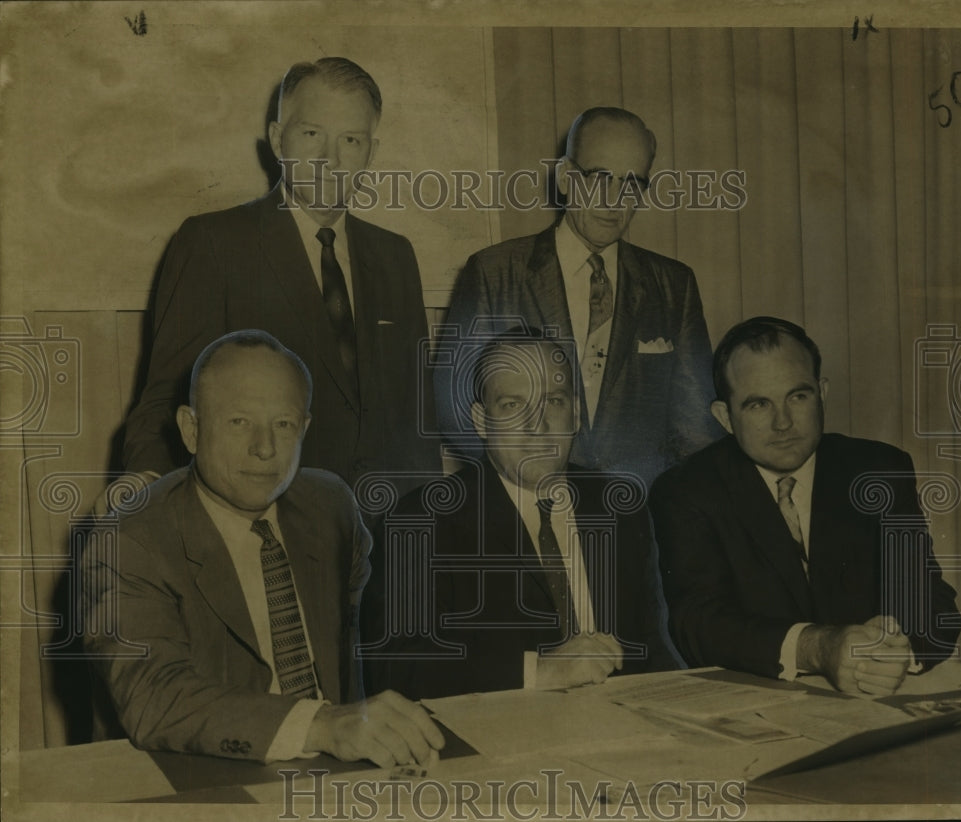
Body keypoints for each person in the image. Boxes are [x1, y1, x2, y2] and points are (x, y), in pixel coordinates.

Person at [84, 330, 444, 766]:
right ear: (191, 429)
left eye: (283, 424)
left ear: (305, 427)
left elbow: (367, 659)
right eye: (239, 422)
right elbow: (154, 698)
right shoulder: (129, 538)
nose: (264, 448)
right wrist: (322, 725)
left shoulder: (330, 506)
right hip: (197, 777)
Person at [119, 56, 438, 497]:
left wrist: (430, 531)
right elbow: (164, 404)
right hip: (265, 526)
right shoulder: (214, 243)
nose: (330, 158)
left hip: (387, 535)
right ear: (276, 139)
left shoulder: (395, 256)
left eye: (351, 139)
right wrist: (150, 496)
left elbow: (416, 419)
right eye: (312, 134)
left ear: (371, 153)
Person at [650, 317, 961, 695]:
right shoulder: (686, 490)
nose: (783, 423)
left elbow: (929, 598)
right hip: (759, 704)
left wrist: (897, 652)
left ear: (822, 393)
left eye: (798, 396)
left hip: (878, 697)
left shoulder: (879, 469)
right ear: (724, 417)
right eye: (758, 404)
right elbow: (699, 624)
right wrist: (819, 648)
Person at [363, 330, 681, 700]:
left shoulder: (618, 506)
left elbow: (653, 652)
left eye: (553, 402)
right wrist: (540, 670)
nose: (538, 425)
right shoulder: (422, 520)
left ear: (575, 414)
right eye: (513, 405)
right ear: (481, 421)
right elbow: (396, 668)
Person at [436, 107, 720, 487]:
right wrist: (521, 489)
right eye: (601, 178)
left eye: (632, 183)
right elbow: (456, 408)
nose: (616, 199)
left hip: (640, 512)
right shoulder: (494, 272)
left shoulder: (673, 285)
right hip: (528, 506)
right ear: (567, 178)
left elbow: (697, 429)